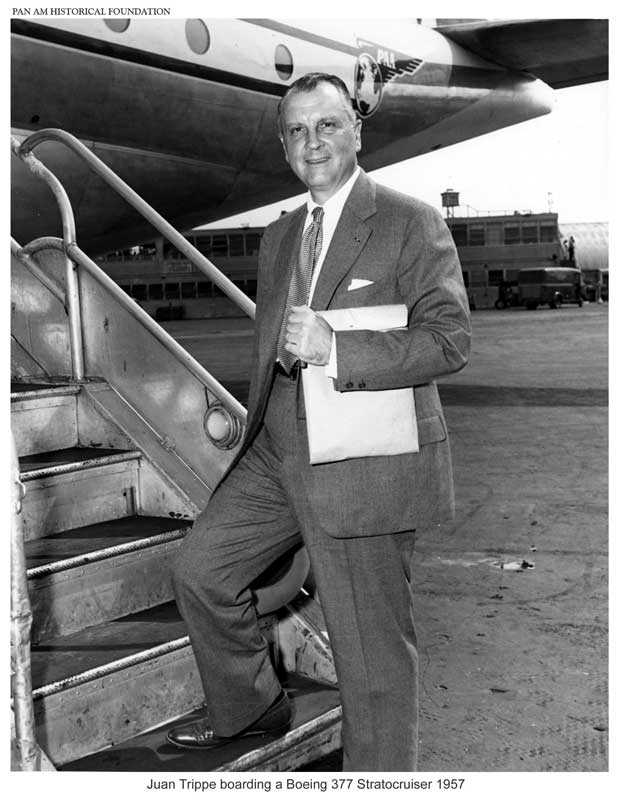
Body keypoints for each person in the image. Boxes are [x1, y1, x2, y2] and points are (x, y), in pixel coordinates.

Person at [168, 72, 471, 771]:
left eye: (328, 124)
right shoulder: (278, 237)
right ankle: (250, 705)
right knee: (201, 571)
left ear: (356, 131)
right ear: (284, 145)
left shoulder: (407, 220)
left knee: (373, 667)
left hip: (361, 465)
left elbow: (450, 339)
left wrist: (339, 347)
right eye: (298, 130)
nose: (314, 142)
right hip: (276, 451)